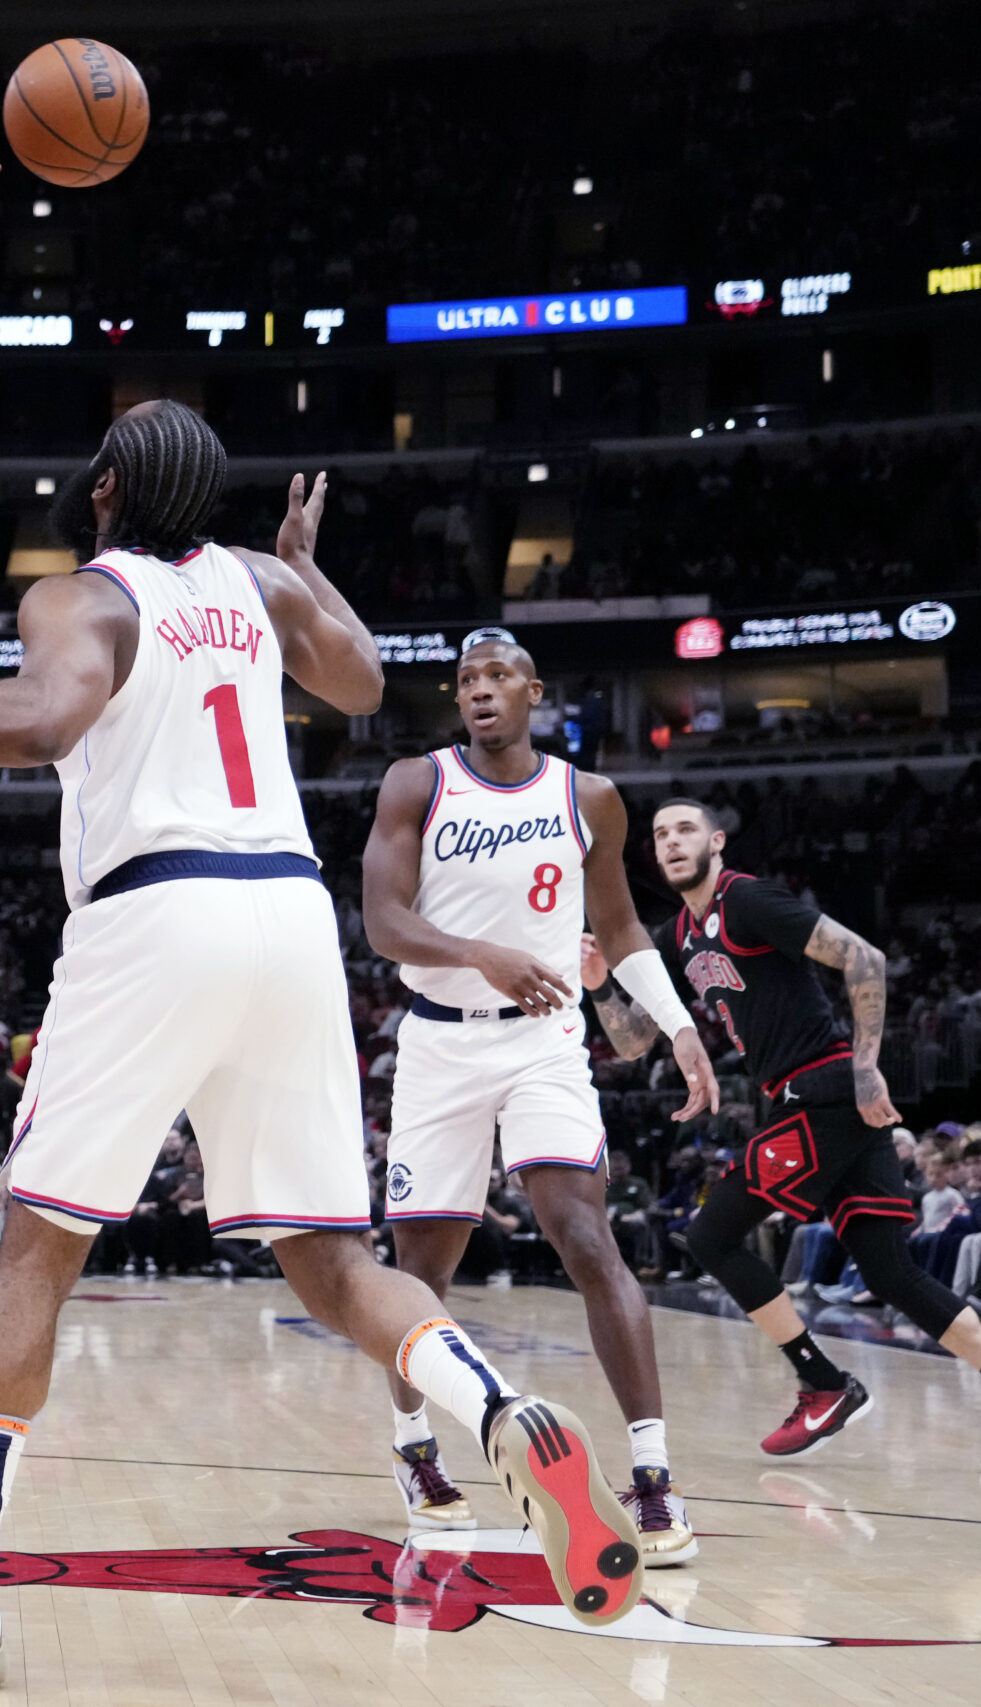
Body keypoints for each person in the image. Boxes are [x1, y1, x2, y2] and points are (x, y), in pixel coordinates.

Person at [0, 402, 642, 1687]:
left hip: (153, 914)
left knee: (33, 1260)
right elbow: (358, 683)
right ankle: (501, 1415)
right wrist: (302, 569)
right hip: (289, 921)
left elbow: (40, 726)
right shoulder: (262, 582)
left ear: (108, 490)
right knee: (337, 1268)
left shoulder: (85, 597)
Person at [358, 633, 719, 1562]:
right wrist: (482, 954)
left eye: (498, 677)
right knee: (419, 1278)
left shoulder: (587, 795)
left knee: (588, 1240)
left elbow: (624, 926)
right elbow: (383, 922)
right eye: (468, 680)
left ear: (534, 692)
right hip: (440, 1044)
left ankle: (651, 1477)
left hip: (546, 1046)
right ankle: (415, 1450)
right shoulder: (417, 782)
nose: (481, 692)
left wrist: (678, 1026)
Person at [636, 800, 981, 1470]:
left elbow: (863, 956)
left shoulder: (744, 898)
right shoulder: (677, 935)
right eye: (660, 833)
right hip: (806, 1101)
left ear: (717, 841)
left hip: (824, 1093)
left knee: (710, 1234)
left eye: (685, 828)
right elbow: (633, 1035)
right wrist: (600, 980)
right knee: (891, 1271)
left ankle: (823, 1383)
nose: (671, 841)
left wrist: (866, 1067)